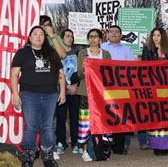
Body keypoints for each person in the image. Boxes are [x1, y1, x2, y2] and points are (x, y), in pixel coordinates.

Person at [11, 26, 66, 167]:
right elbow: (14, 74)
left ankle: (47, 155)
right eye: (35, 34)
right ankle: (28, 155)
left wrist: (63, 92)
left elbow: (61, 72)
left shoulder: (51, 53)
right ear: (29, 38)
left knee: (47, 126)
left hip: (50, 94)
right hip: (29, 94)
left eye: (41, 34)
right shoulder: (22, 53)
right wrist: (15, 94)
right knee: (31, 126)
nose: (38, 36)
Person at [100, 25, 144, 153]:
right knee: (107, 114)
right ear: (108, 34)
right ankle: (105, 144)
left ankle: (119, 146)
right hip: (105, 86)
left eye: (117, 32)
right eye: (111, 32)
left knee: (121, 115)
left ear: (120, 35)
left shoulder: (127, 49)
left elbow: (131, 68)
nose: (114, 34)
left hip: (122, 87)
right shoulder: (102, 47)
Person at [77, 29, 112, 162]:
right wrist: (88, 66)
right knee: (85, 122)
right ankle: (85, 150)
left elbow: (109, 73)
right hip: (86, 92)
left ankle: (101, 149)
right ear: (88, 39)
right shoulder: (82, 53)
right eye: (90, 37)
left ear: (100, 39)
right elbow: (79, 74)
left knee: (102, 121)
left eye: (96, 36)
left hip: (102, 93)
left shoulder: (106, 54)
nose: (93, 39)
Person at [141, 27, 168, 156]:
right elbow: (144, 69)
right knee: (155, 116)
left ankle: (166, 146)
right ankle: (156, 146)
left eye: (158, 35)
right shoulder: (147, 50)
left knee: (166, 116)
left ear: (163, 37)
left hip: (166, 88)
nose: (156, 37)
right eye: (154, 35)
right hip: (153, 88)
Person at [55, 29, 82, 155]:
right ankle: (61, 142)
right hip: (61, 90)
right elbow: (55, 71)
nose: (70, 38)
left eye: (72, 36)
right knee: (60, 117)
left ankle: (76, 142)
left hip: (75, 89)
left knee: (74, 117)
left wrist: (76, 85)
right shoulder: (56, 53)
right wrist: (65, 86)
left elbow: (82, 71)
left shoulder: (78, 52)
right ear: (62, 38)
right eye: (67, 36)